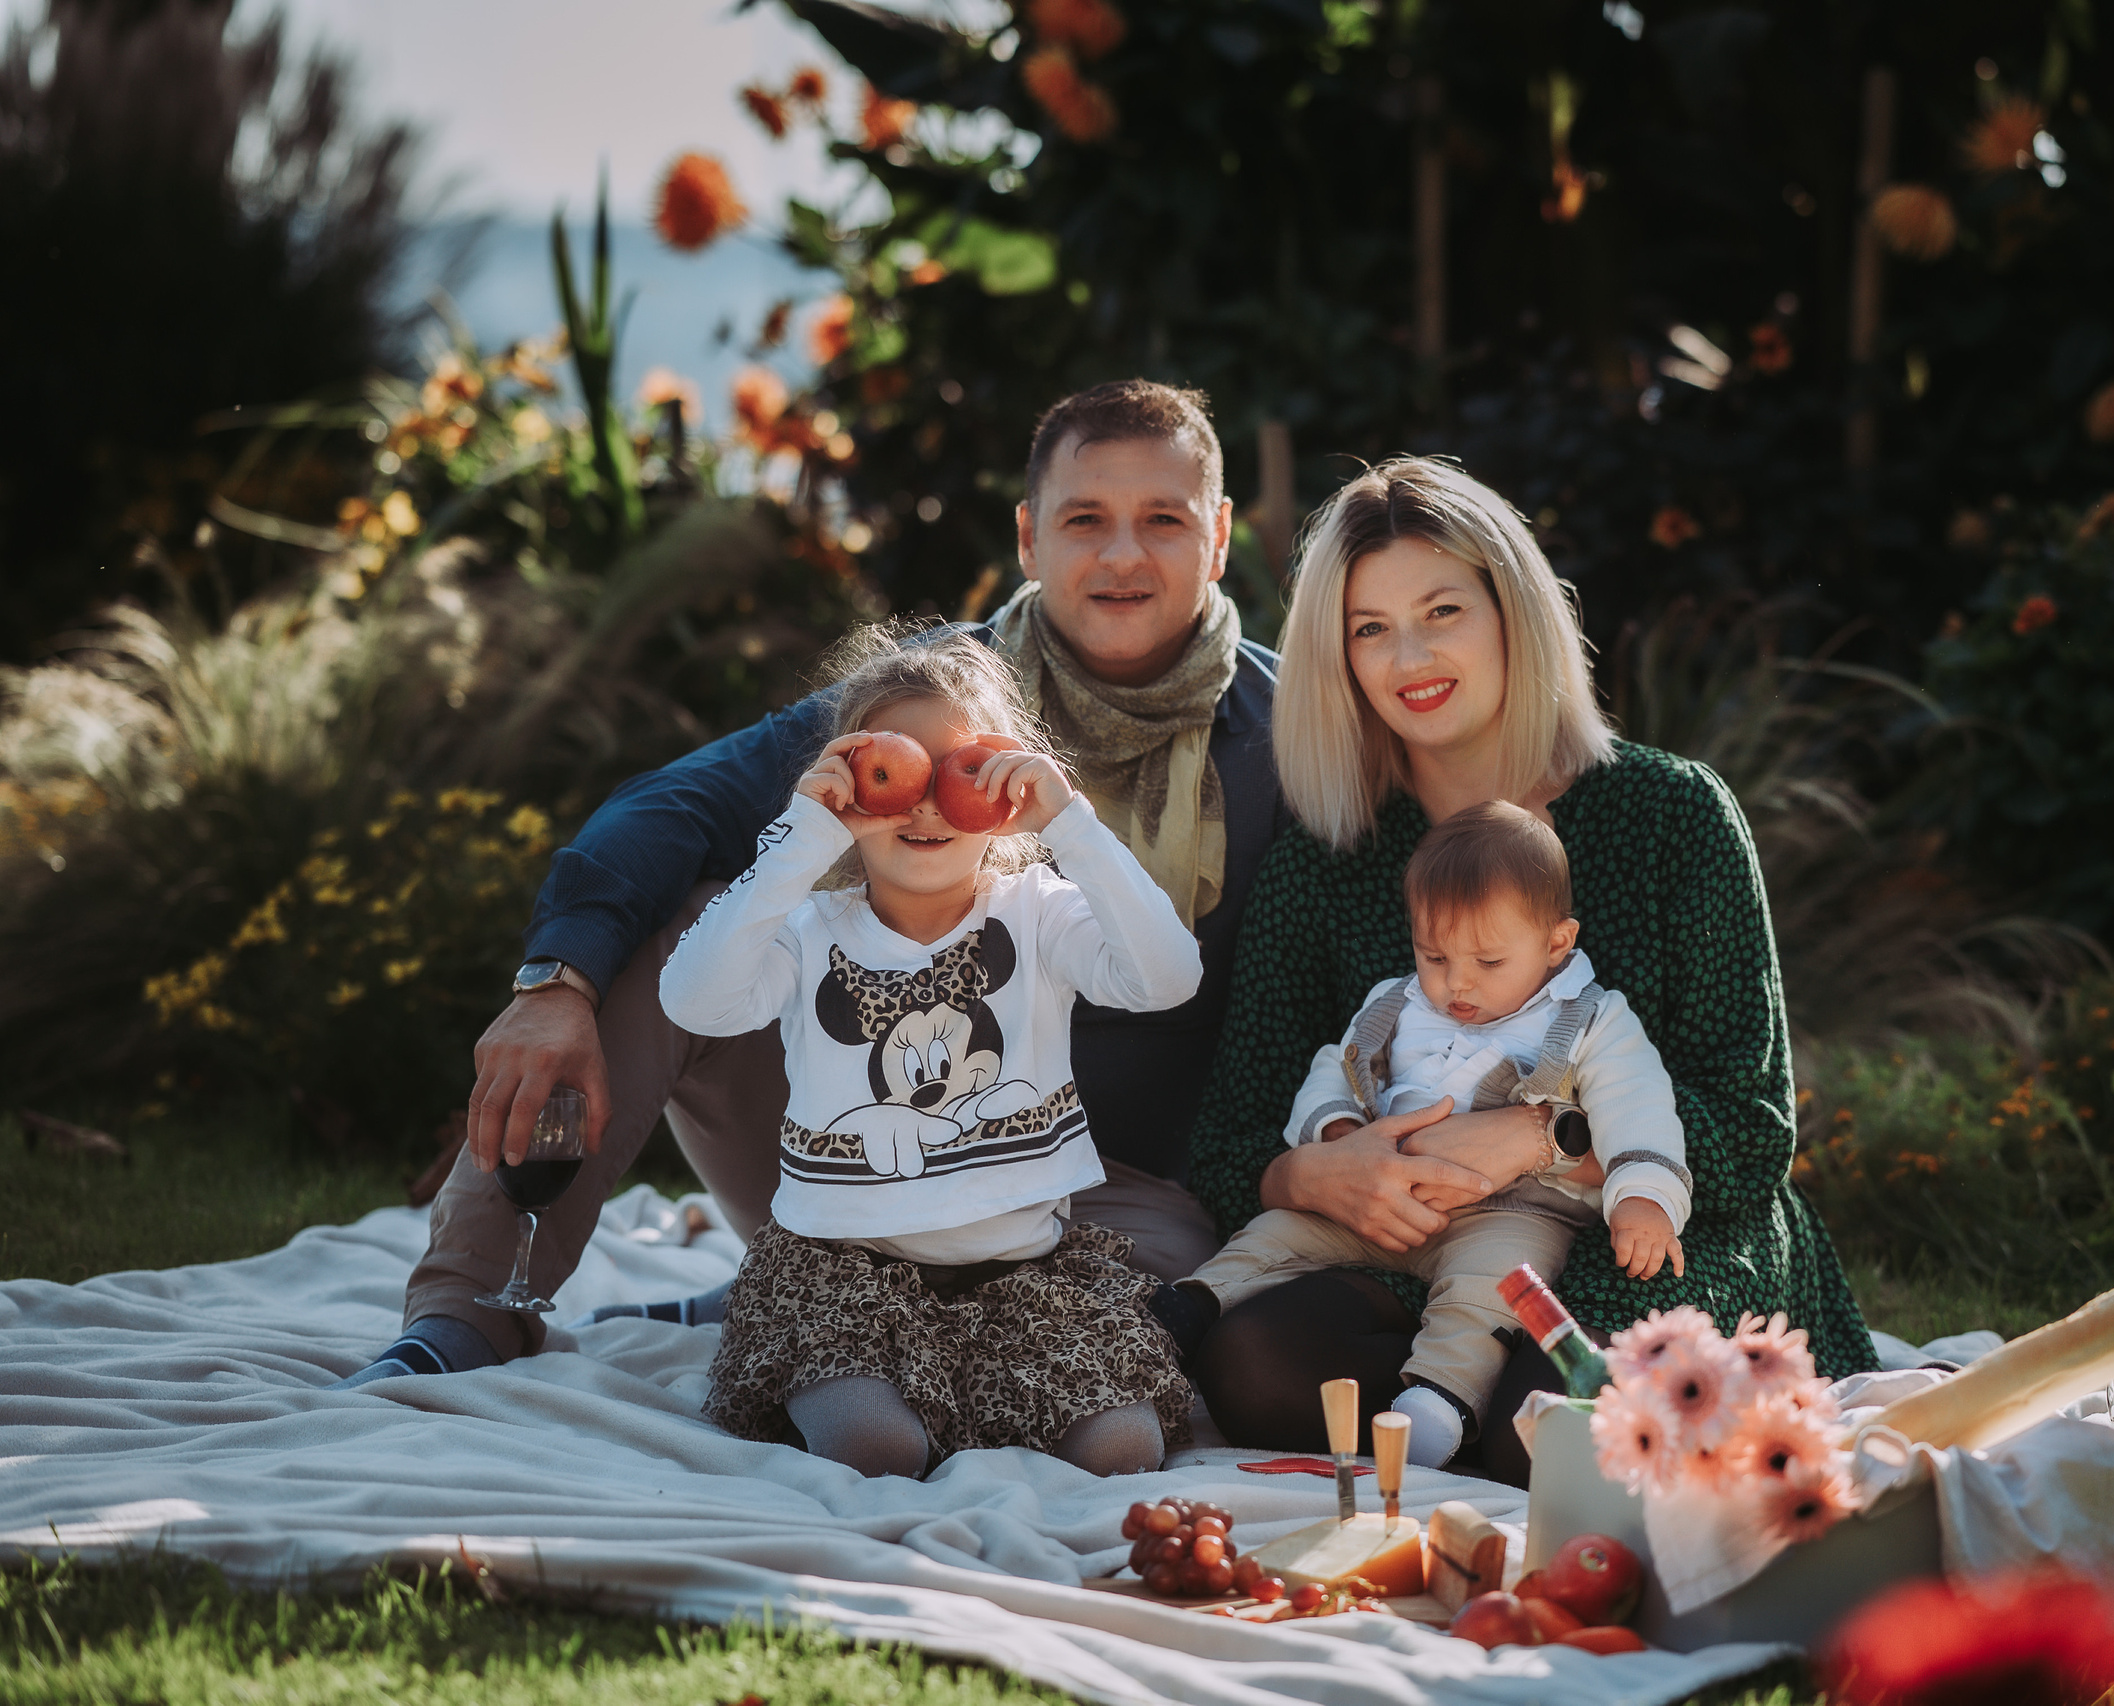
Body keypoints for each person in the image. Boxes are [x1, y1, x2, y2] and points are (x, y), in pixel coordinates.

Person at [338, 380, 1280, 1386]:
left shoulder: (1289, 734)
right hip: (860, 1145)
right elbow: (676, 802)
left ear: (1219, 536)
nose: (1123, 555)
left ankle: (788, 1296)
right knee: (682, 924)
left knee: (1183, 1290)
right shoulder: (929, 699)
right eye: (1085, 518)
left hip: (1089, 1192)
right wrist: (553, 983)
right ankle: (471, 1312)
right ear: (1028, 538)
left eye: (1163, 520)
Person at [1184, 457, 1873, 1484]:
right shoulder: (1326, 861)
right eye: (1369, 628)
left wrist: (1548, 1138)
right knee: (1258, 1360)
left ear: (1513, 610)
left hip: (1651, 1232)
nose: (1409, 656)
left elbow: (1752, 1128)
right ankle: (1445, 1408)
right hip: (1415, 1248)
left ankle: (1474, 1417)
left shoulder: (1673, 816)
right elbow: (1229, 1137)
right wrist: (1315, 1172)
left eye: (1442, 611)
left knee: (1549, 1416)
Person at [675, 632, 1196, 1475]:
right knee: (877, 1448)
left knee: (1122, 1450)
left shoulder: (1038, 913)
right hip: (844, 1283)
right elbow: (694, 1000)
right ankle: (868, 1398)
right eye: (897, 775)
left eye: (958, 773)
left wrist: (1071, 823)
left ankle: (966, 1402)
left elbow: (1167, 978)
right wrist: (803, 839)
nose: (923, 807)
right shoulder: (810, 933)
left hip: (1023, 1284)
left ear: (1007, 783)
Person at [1173, 800, 1693, 1470]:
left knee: (1499, 1290)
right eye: (1434, 955)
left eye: (1489, 961)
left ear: (1557, 943)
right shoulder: (1396, 1003)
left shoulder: (1590, 1019)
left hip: (1510, 1211)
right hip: (1379, 1201)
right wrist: (1339, 1135)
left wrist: (1643, 1198)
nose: (1456, 984)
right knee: (1277, 1235)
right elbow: (1338, 1068)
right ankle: (1188, 1309)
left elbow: (1639, 1107)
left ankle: (1439, 1400)